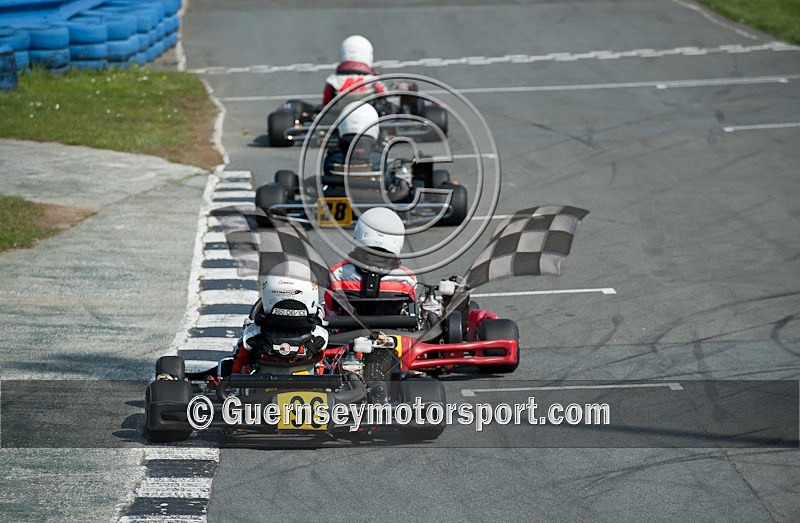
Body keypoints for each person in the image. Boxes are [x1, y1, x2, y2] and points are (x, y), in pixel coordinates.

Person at [231, 267, 328, 375]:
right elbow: (320, 362)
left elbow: (238, 365)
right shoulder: (319, 336)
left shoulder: (253, 335)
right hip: (309, 386)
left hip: (262, 386)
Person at [326, 207, 417, 316]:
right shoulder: (407, 278)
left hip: (348, 332)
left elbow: (331, 308)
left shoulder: (337, 274)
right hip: (395, 331)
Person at [323, 35, 386, 106]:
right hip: (369, 114)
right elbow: (384, 96)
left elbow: (326, 103)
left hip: (340, 115)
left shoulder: (333, 81)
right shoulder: (373, 81)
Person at [323, 101, 382, 176]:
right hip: (371, 185)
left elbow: (327, 173)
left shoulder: (334, 158)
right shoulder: (377, 158)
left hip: (340, 185)